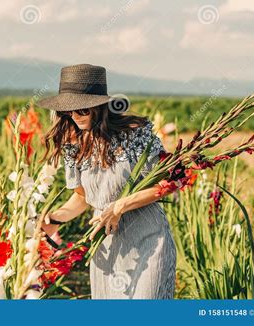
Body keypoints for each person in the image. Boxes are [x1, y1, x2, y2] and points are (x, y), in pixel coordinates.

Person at [36, 64, 176, 299]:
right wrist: (55, 218)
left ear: (99, 106)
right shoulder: (74, 145)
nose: (74, 116)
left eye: (81, 110)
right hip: (106, 249)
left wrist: (120, 206)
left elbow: (166, 183)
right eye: (68, 112)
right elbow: (81, 198)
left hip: (149, 243)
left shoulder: (135, 134)